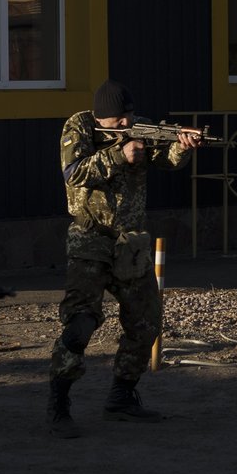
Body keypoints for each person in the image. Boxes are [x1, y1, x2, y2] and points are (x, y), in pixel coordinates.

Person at [47, 80, 197, 431]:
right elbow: (74, 173)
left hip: (129, 244)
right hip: (90, 241)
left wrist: (183, 146)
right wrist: (119, 154)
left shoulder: (138, 129)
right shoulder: (79, 128)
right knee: (80, 323)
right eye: (119, 122)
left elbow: (167, 159)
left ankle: (121, 397)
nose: (127, 126)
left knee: (147, 322)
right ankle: (59, 404)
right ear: (104, 118)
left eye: (129, 118)